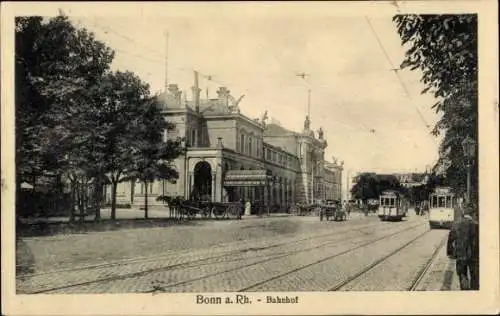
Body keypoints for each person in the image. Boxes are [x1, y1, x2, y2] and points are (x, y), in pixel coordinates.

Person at [447, 203, 479, 290]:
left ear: (463, 212)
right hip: (474, 255)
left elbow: (451, 239)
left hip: (460, 255)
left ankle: (464, 291)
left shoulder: (457, 223)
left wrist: (450, 253)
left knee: (462, 274)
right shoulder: (476, 224)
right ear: (473, 213)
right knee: (474, 276)